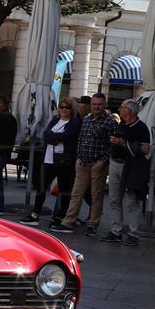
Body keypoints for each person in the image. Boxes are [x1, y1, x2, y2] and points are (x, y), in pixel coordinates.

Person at [51, 93, 116, 236]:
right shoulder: (86, 119)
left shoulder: (109, 122)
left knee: (96, 196)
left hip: (98, 164)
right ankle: (68, 222)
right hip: (82, 162)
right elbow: (80, 140)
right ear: (90, 105)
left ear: (104, 105)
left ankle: (92, 225)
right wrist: (79, 158)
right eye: (94, 104)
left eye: (99, 104)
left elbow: (112, 145)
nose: (96, 107)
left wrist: (102, 161)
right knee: (76, 194)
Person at [19, 98, 80, 227]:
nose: (63, 109)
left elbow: (65, 136)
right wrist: (54, 137)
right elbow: (46, 135)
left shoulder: (74, 123)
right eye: (62, 107)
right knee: (41, 187)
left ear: (71, 109)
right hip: (48, 159)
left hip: (63, 161)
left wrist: (54, 137)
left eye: (67, 107)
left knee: (63, 190)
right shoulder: (55, 121)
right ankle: (35, 214)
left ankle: (60, 217)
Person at [98, 99, 150, 246]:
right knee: (114, 199)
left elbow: (145, 149)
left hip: (130, 168)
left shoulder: (141, 128)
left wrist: (123, 144)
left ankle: (133, 234)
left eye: (122, 107)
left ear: (130, 111)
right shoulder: (121, 124)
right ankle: (116, 231)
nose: (119, 109)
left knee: (131, 202)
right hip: (115, 164)